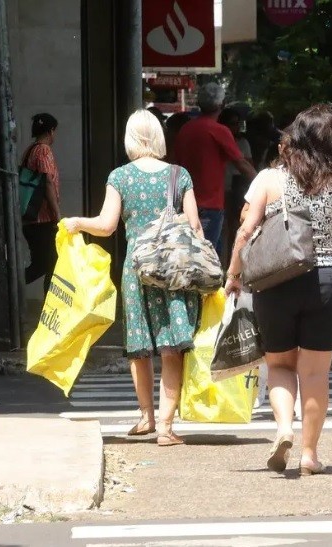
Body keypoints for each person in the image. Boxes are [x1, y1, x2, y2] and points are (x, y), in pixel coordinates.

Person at [225, 104, 332, 476]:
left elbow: (245, 230)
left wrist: (234, 273)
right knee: (315, 374)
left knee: (279, 364)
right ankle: (309, 453)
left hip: (277, 281)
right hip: (329, 281)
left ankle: (284, 429)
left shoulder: (269, 180)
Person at [63, 110, 203, 447]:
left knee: (140, 347)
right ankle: (167, 428)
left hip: (137, 270)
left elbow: (107, 225)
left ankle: (146, 417)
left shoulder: (120, 177)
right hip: (173, 270)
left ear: (129, 139)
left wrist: (77, 223)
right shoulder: (179, 175)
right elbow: (195, 227)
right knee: (172, 348)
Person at [174, 83, 257, 254]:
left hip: (185, 203)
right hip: (210, 206)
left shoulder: (185, 129)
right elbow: (241, 164)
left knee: (190, 255)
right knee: (208, 257)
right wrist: (265, 184)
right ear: (222, 104)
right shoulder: (219, 131)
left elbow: (174, 165)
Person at [22, 113, 61, 295]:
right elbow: (47, 182)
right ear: (51, 131)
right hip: (42, 219)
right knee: (49, 263)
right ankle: (7, 286)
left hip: (30, 218)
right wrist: (56, 214)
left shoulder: (30, 150)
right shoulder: (44, 151)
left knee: (45, 263)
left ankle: (8, 286)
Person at [219, 107, 254, 264]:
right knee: (223, 229)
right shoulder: (218, 137)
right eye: (232, 124)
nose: (235, 127)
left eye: (237, 124)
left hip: (236, 189)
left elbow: (247, 164)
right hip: (220, 188)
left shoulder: (242, 142)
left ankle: (232, 262)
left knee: (235, 228)